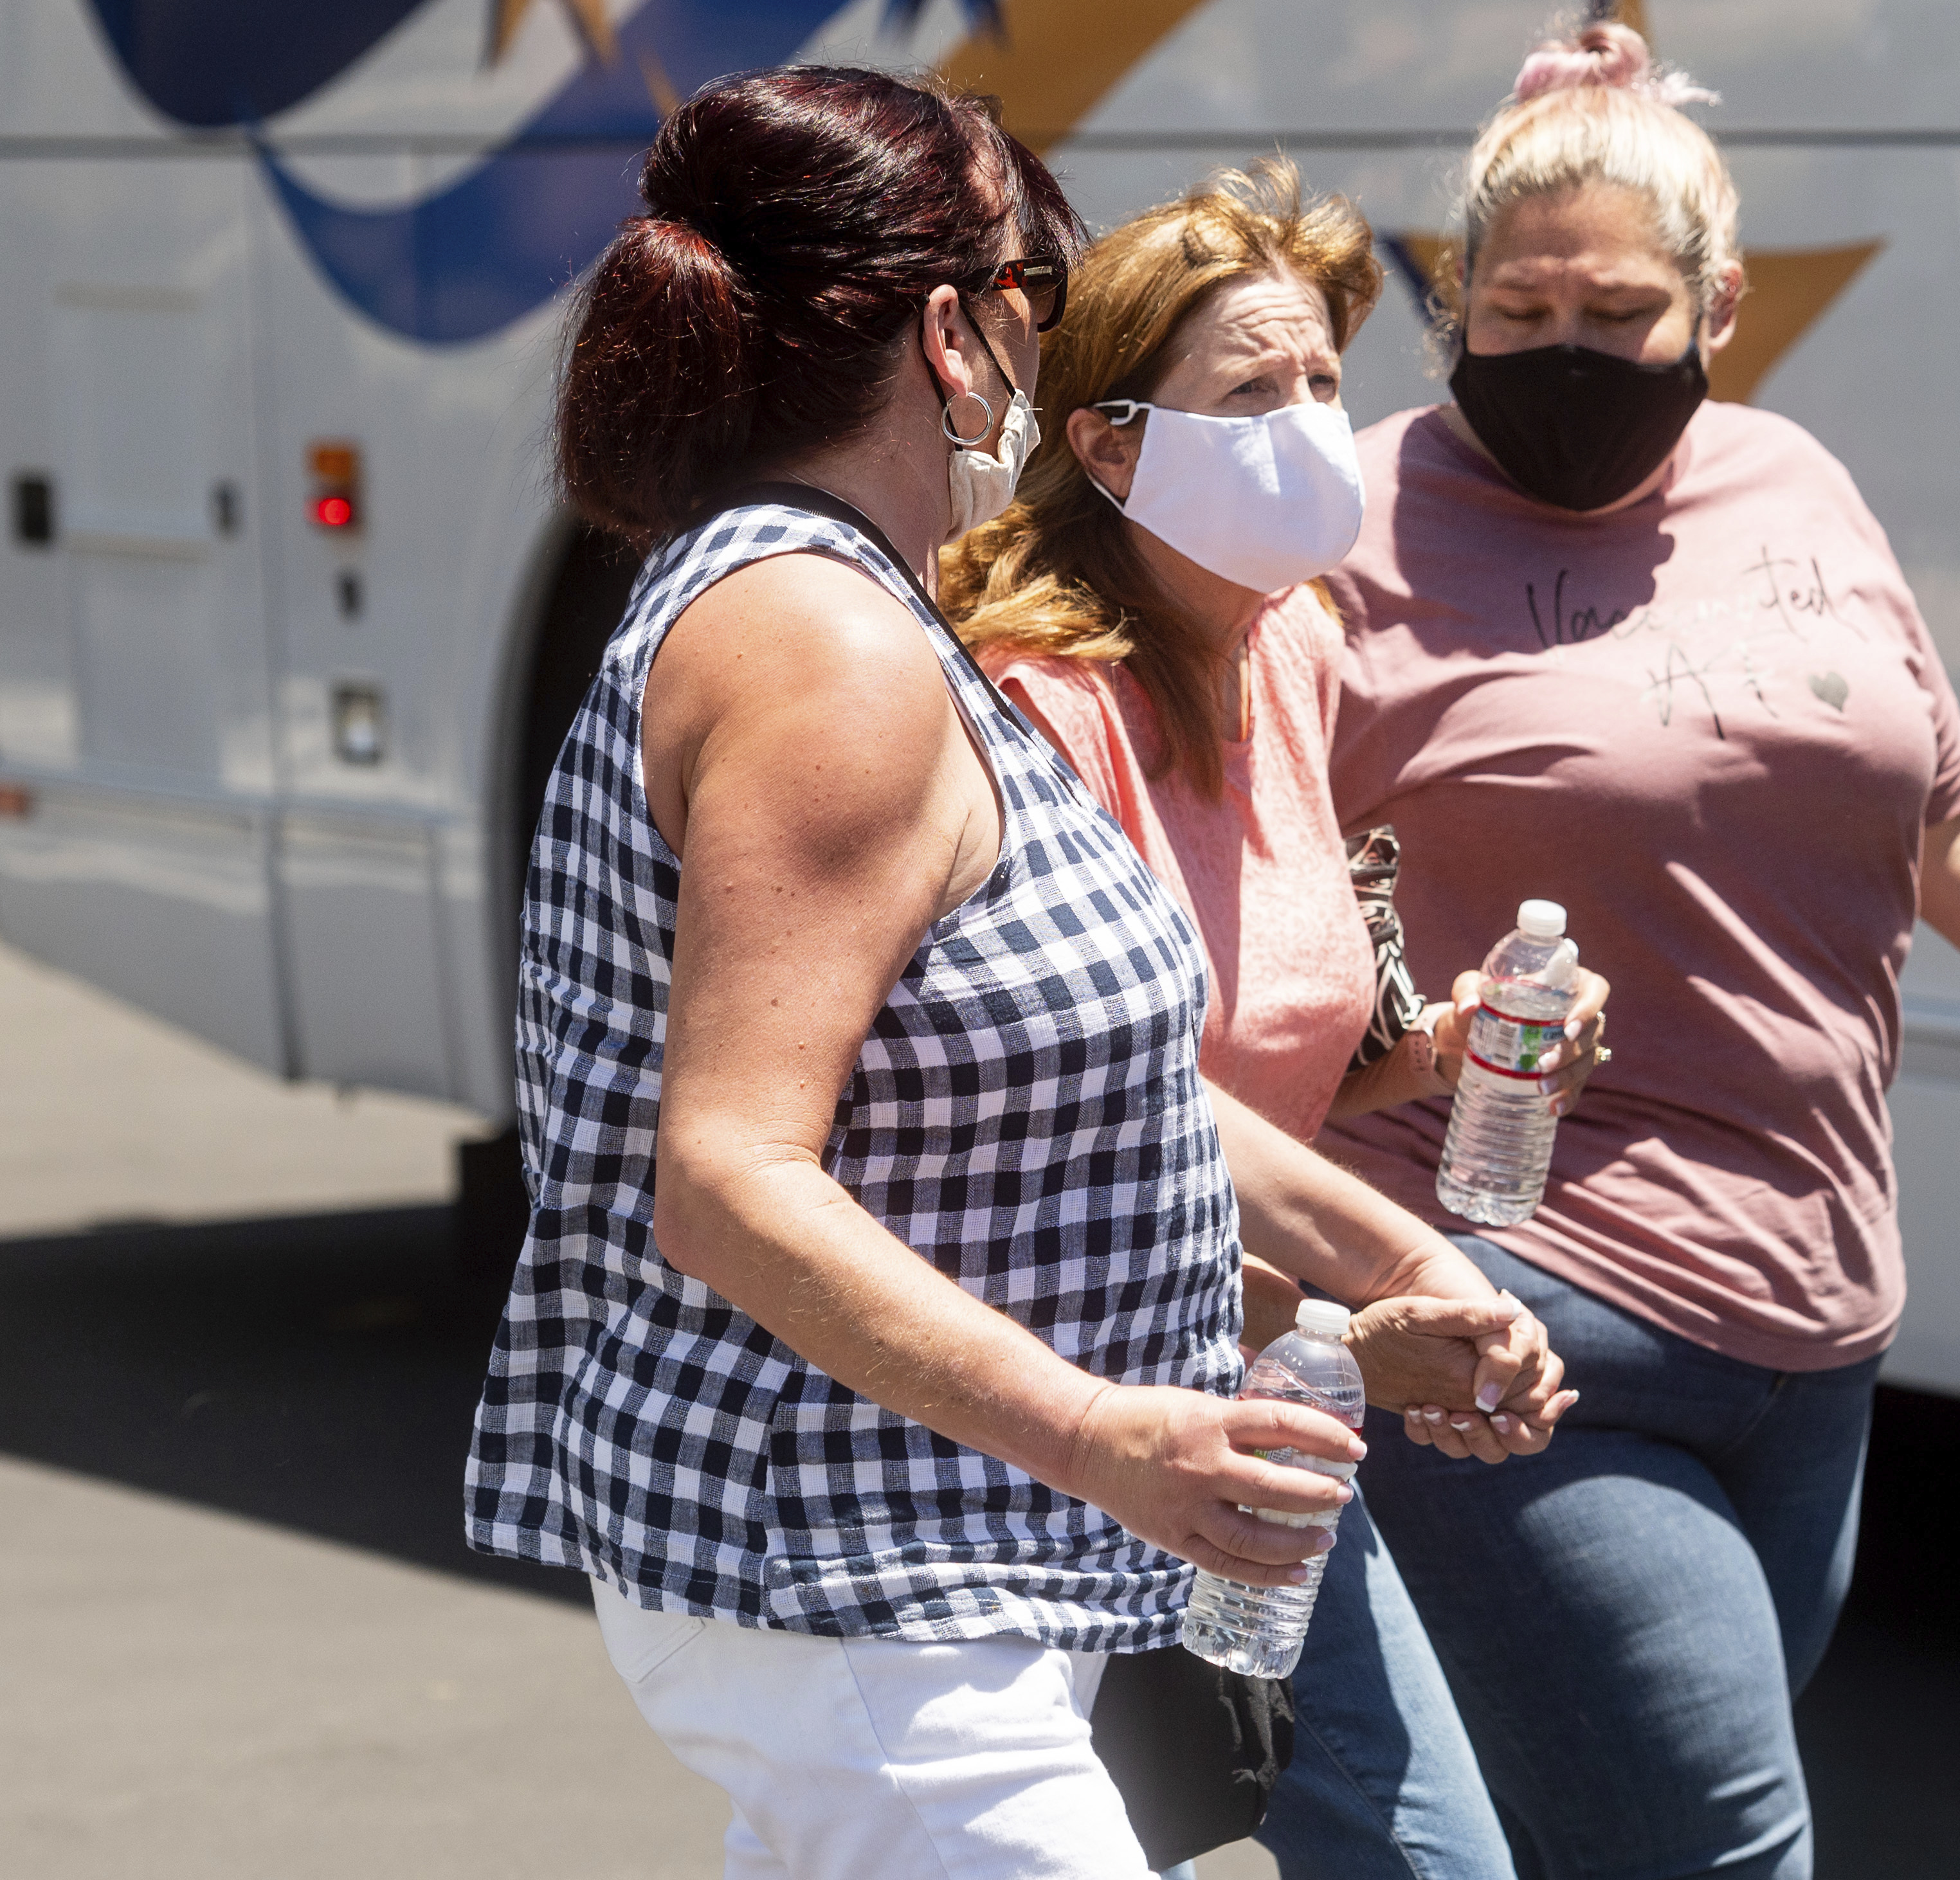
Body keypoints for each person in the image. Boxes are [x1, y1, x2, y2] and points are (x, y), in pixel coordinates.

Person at [465, 68, 1554, 1880]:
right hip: (850, 1580)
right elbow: (729, 1178)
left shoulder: (858, 610)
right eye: (1041, 296)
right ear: (955, 335)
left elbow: (1111, 1075)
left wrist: (1406, 1262)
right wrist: (1109, 1432)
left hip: (926, 1571)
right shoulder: (827, 646)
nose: (1046, 362)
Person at [1319, 24, 1960, 1880]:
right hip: (1519, 1321)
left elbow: (1947, 811)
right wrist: (1390, 1071)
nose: (1566, 346)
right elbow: (1235, 904)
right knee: (1715, 1851)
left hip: (1814, 1320)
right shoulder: (1348, 538)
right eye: (1518, 301)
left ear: (1717, 304)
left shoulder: (1787, 482)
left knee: (1604, 1838)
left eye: (1619, 309)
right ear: (1450, 299)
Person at [938, 159, 1602, 1880]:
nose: (1310, 421)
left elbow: (1280, 1044)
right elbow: (1089, 1116)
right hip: (1048, 1427)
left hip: (1254, 1394)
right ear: (1107, 447)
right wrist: (1345, 1311)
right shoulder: (1038, 703)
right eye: (1248, 392)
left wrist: (1452, 1043)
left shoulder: (1289, 645)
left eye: (1320, 378)